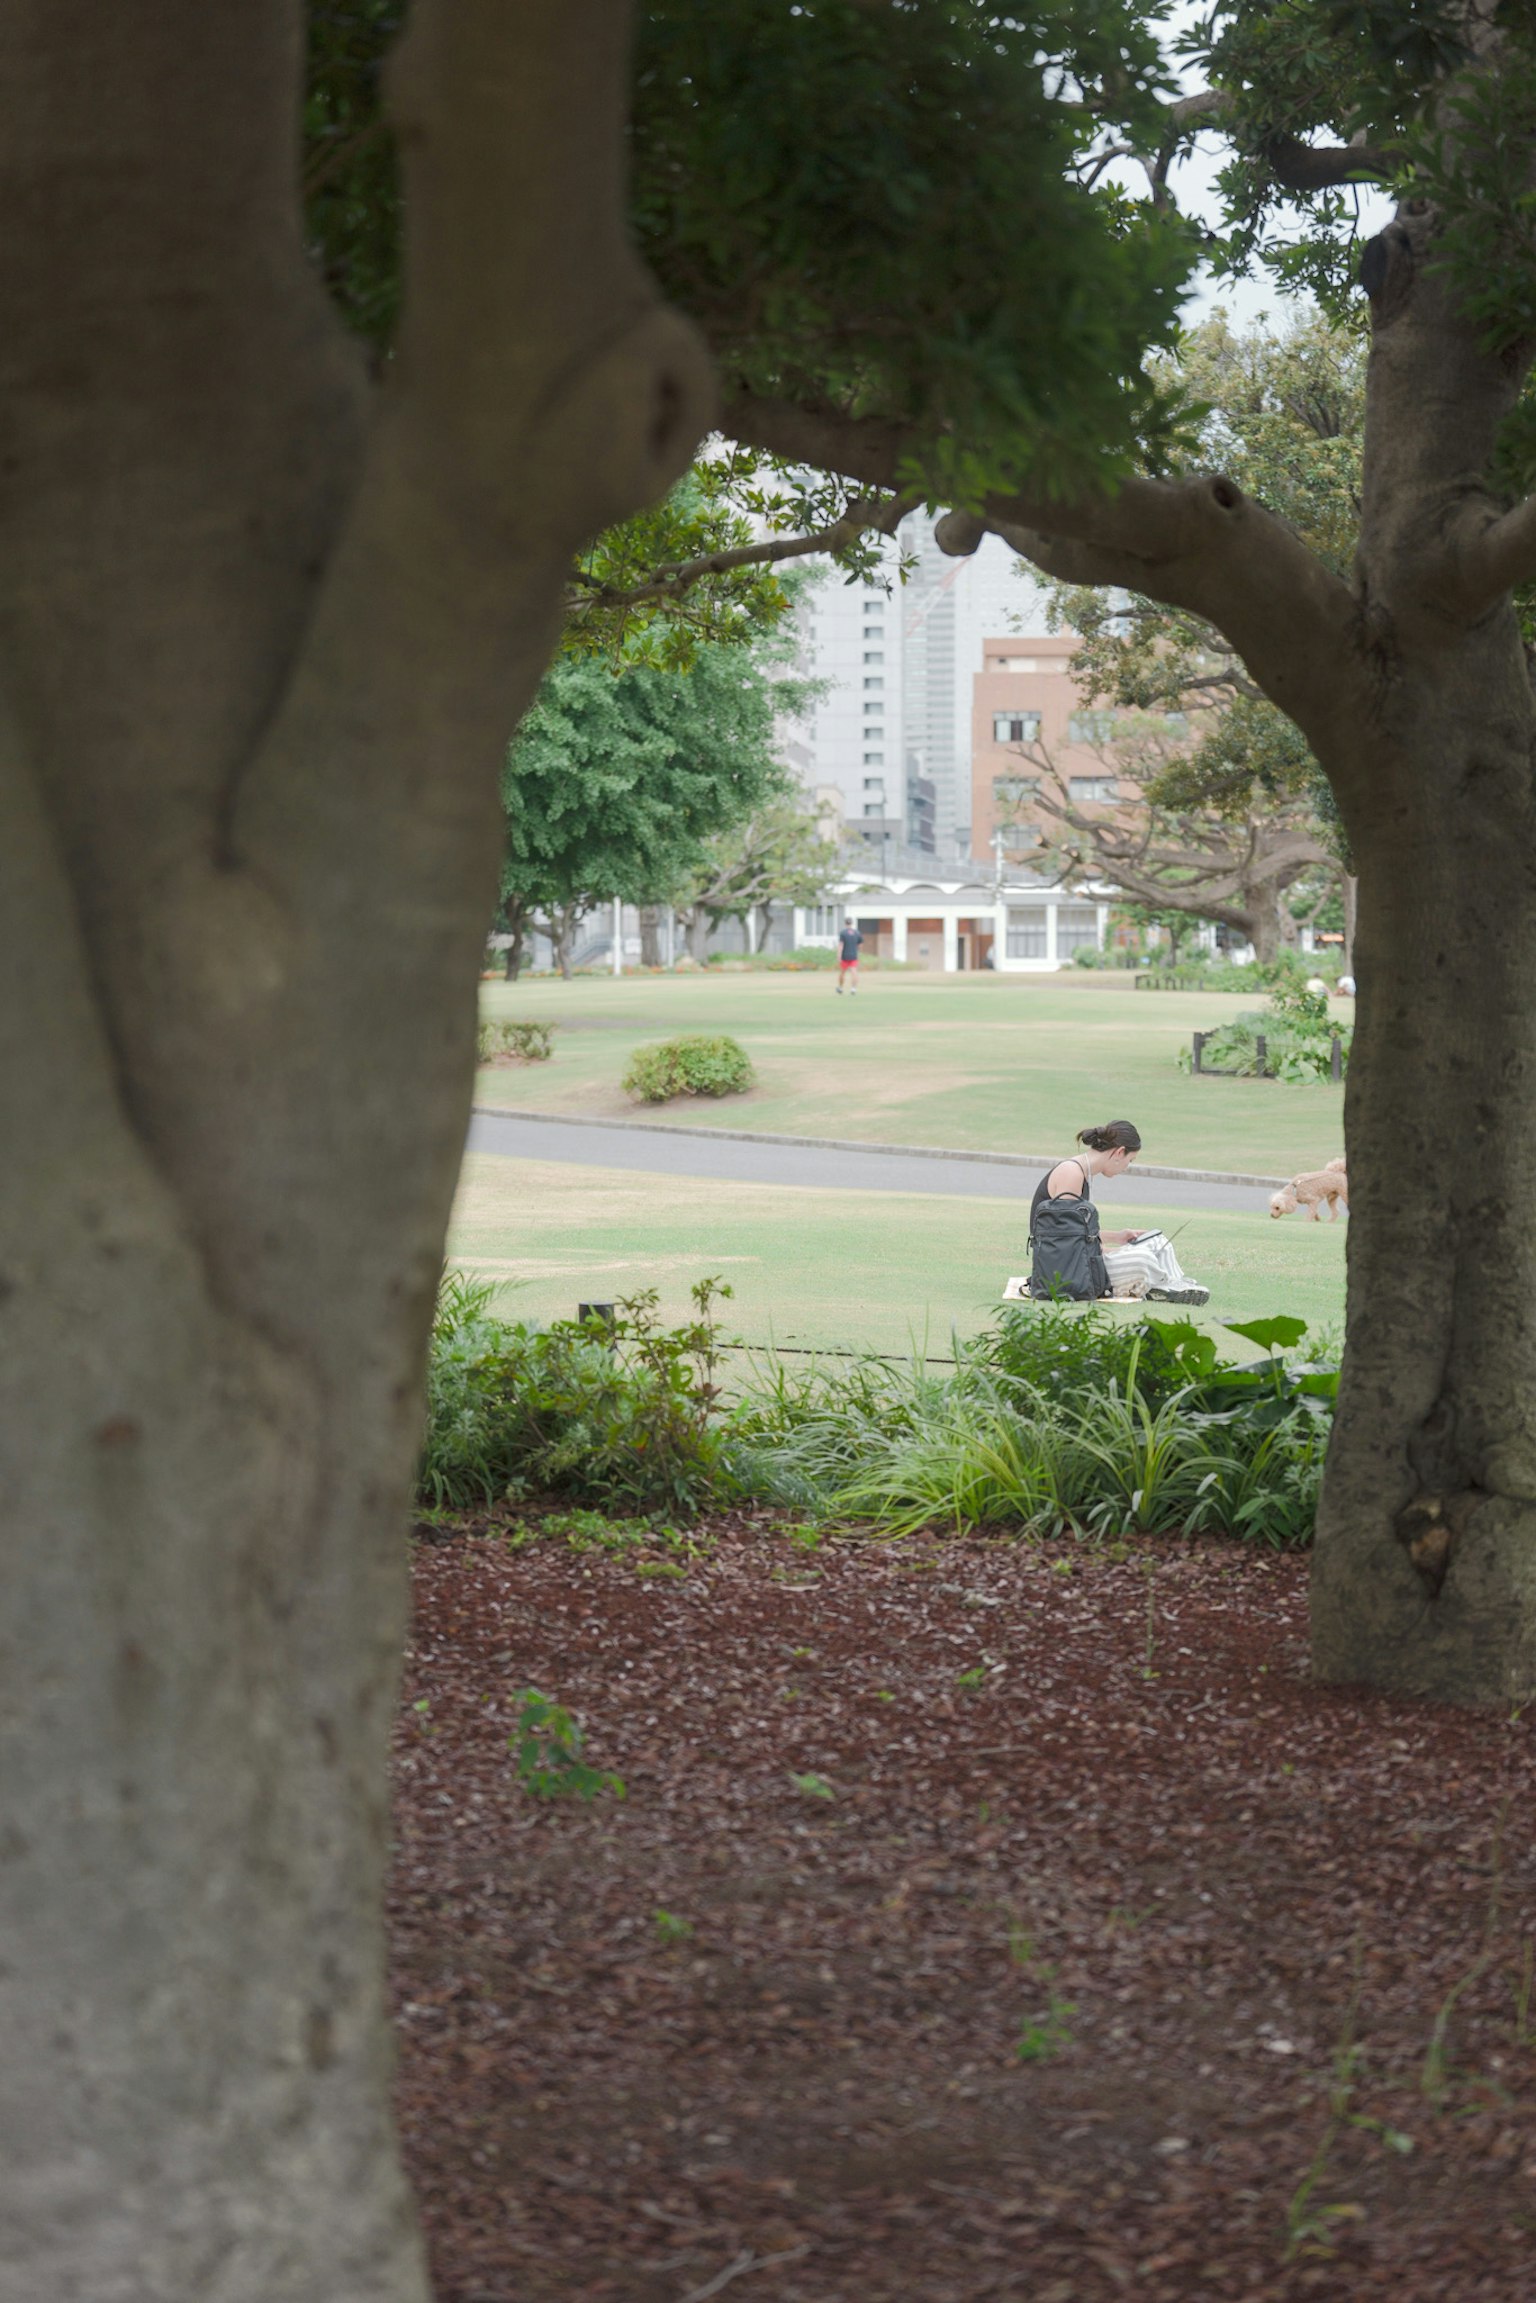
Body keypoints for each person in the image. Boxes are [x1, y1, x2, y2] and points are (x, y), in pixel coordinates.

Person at [1027, 1120, 1210, 1305]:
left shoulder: (1082, 1171)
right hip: (1070, 1270)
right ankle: (1165, 1286)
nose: (1126, 1167)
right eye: (1129, 1160)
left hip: (1080, 1260)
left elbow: (1076, 1232)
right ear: (1119, 1152)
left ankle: (1172, 1284)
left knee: (1156, 1241)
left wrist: (1118, 1237)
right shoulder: (1071, 1173)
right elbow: (1067, 1244)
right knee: (1143, 1257)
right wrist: (1114, 1252)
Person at [835, 917, 863, 993]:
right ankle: (853, 988)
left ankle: (840, 987)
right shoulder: (857, 933)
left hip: (845, 956)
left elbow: (841, 945)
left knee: (842, 972)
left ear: (845, 923)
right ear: (852, 923)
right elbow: (860, 945)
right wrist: (857, 952)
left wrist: (839, 955)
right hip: (854, 955)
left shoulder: (843, 933)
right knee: (854, 972)